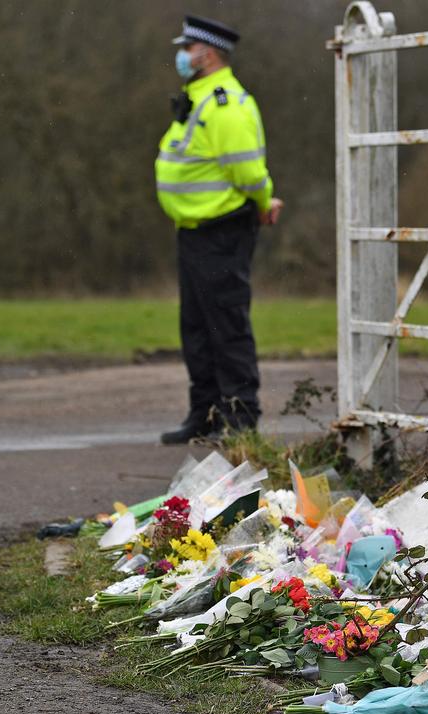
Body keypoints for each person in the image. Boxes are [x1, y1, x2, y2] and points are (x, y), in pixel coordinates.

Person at [156, 15, 283, 445]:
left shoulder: (224, 103)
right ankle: (205, 413)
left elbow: (246, 169)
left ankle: (241, 418)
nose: (182, 56)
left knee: (226, 325)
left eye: (187, 49)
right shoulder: (199, 98)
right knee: (196, 327)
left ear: (206, 54)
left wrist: (265, 200)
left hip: (221, 229)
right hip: (193, 230)